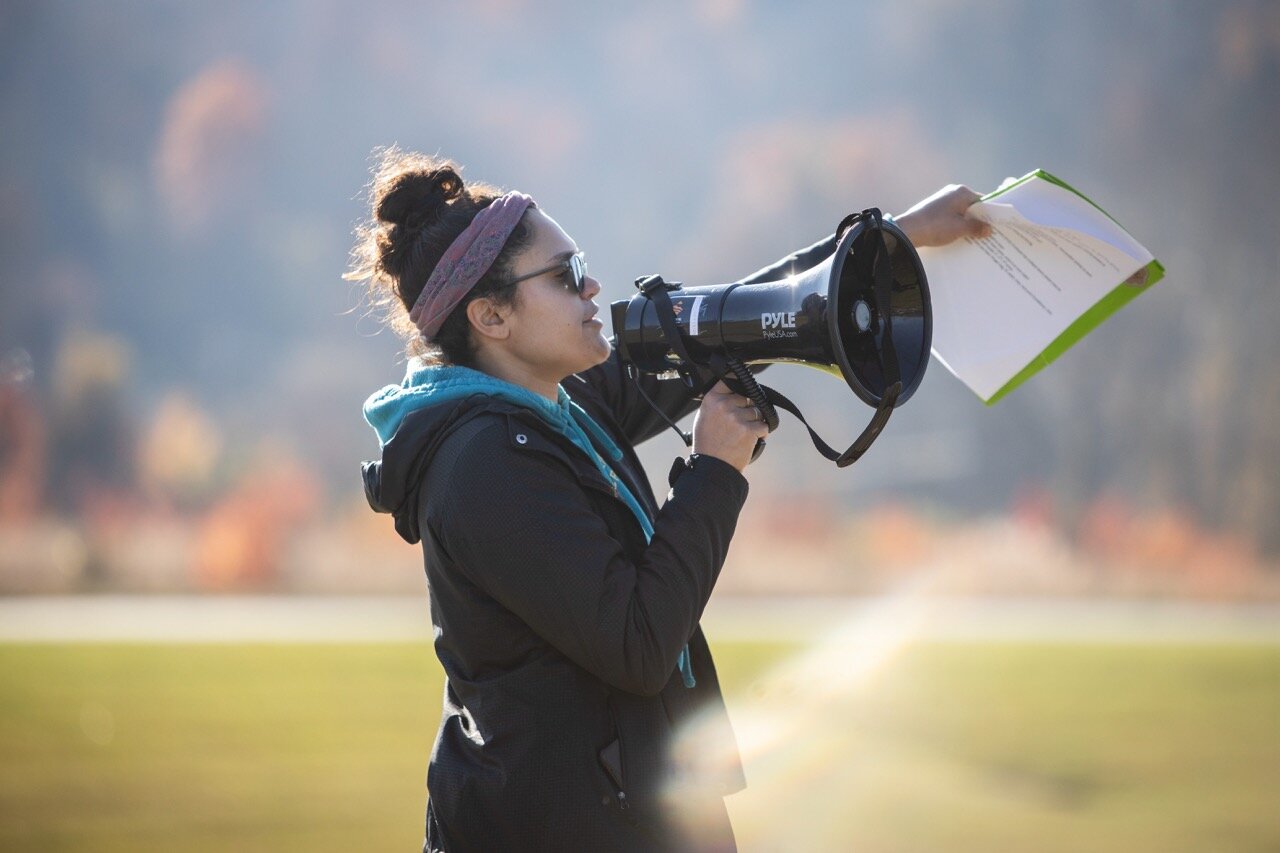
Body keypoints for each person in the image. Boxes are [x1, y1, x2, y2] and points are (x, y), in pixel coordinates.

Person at [349, 148, 988, 852]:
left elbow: (741, 318)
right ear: (492, 317)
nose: (593, 287)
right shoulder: (485, 465)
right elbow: (637, 641)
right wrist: (713, 471)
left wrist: (895, 238)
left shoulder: (561, 405)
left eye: (582, 262)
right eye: (565, 276)